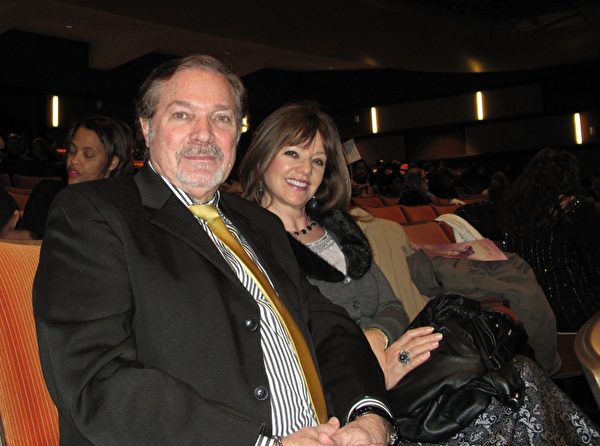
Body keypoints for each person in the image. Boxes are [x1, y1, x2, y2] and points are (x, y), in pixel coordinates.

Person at [34, 55, 397, 446]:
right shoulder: (94, 213)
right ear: (147, 127)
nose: (204, 134)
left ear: (237, 135)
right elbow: (95, 376)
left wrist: (369, 415)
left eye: (221, 118)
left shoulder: (261, 224)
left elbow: (326, 324)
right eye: (182, 115)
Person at [239, 102, 599, 445]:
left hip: (398, 361)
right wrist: (370, 366)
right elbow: (282, 347)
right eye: (292, 153)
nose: (305, 170)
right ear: (264, 155)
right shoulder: (252, 243)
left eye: (317, 160)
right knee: (507, 400)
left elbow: (391, 305)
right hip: (347, 396)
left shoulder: (339, 230)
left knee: (517, 374)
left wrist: (378, 336)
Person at [502, 147, 600, 332]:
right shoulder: (577, 210)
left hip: (531, 317)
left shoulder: (516, 214)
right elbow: (594, 265)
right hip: (579, 315)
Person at [19, 115, 134, 239]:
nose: (74, 160)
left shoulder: (122, 211)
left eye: (88, 155)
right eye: (72, 151)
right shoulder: (47, 194)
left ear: (112, 163)